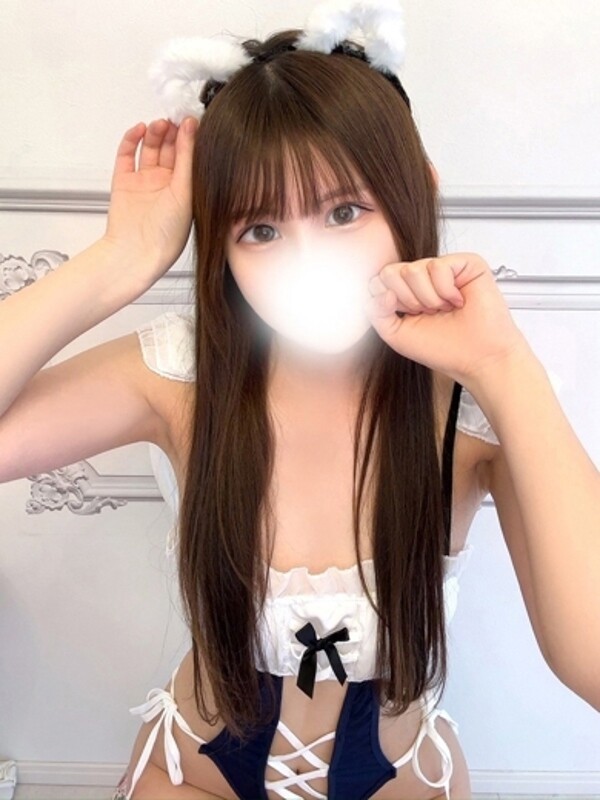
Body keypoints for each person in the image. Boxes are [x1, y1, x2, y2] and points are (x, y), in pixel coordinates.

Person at [1, 2, 598, 799]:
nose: (305, 257)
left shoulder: (474, 403)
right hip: (195, 777)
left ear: (415, 194)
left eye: (344, 212)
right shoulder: (183, 373)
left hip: (406, 782)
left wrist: (505, 366)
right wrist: (118, 259)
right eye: (260, 230)